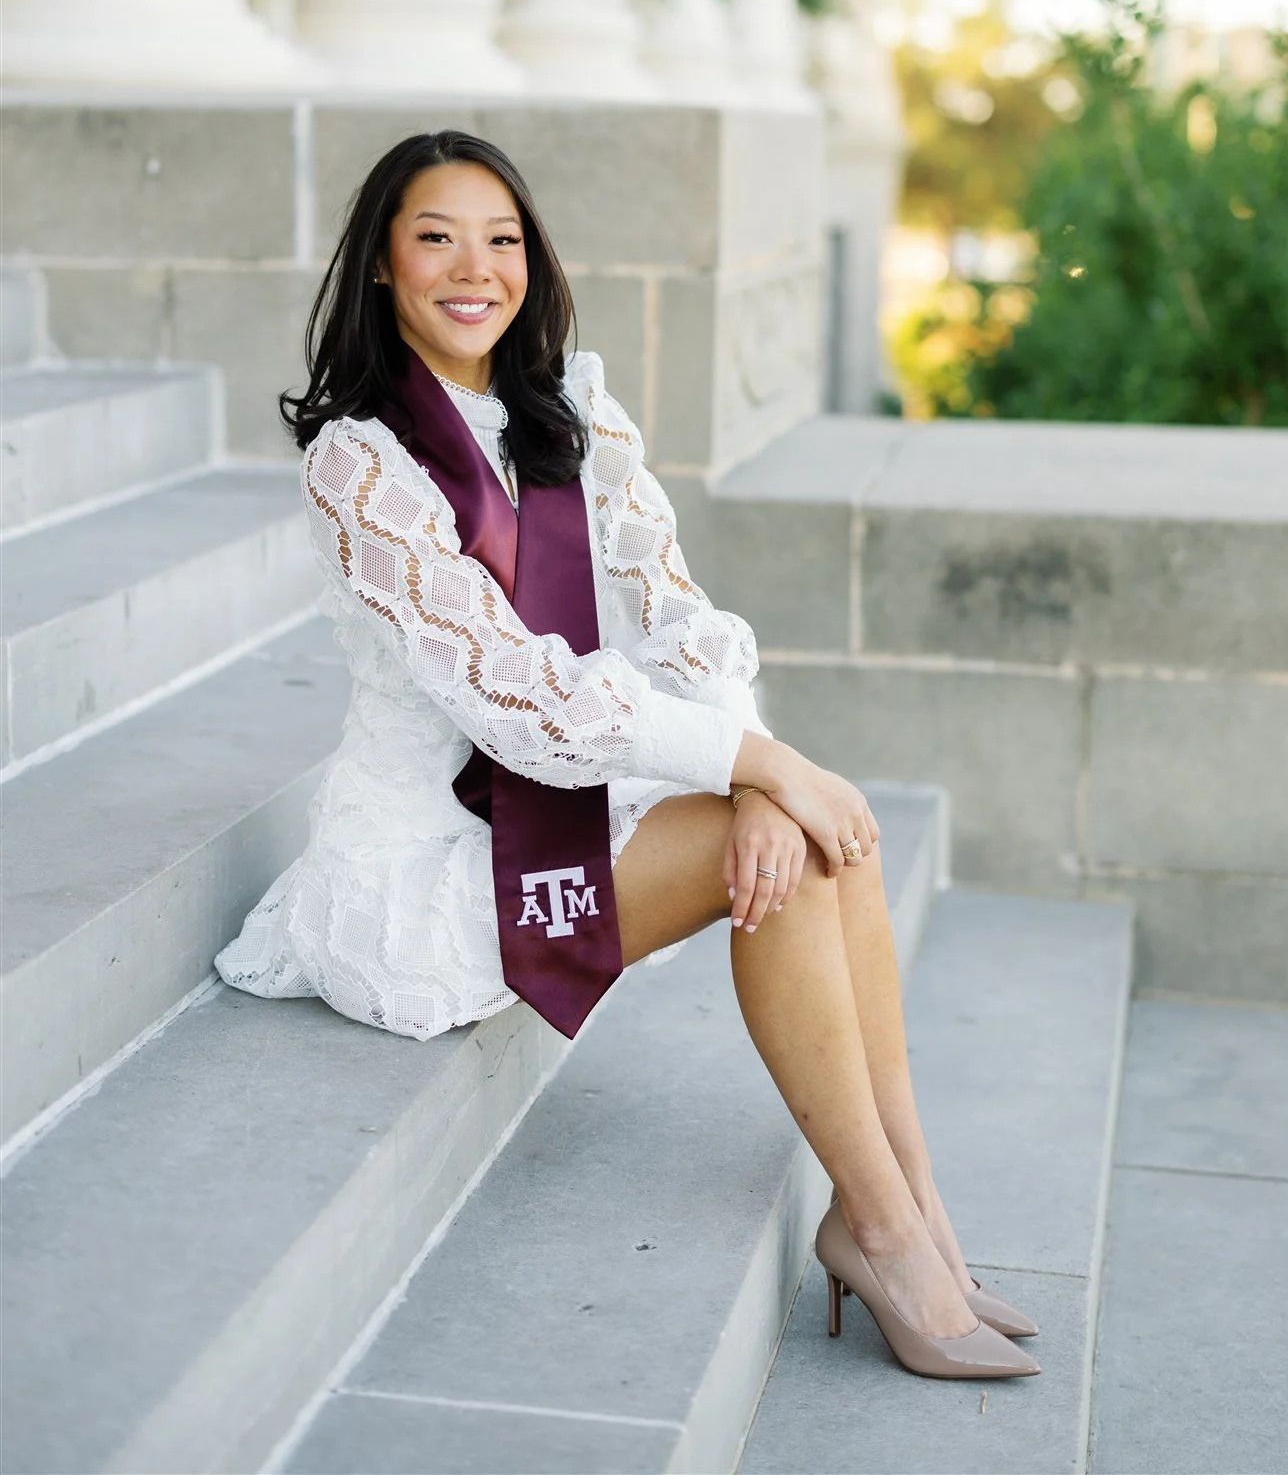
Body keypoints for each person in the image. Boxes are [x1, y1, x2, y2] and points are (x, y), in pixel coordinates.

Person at [215, 129, 1041, 1383]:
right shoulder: (362, 463)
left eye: (502, 239)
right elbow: (516, 698)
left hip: (562, 807)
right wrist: (755, 766)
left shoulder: (574, 412)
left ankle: (914, 1207)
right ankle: (878, 1229)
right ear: (382, 264)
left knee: (817, 830)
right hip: (428, 867)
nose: (475, 267)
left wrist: (756, 768)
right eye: (436, 237)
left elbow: (679, 616)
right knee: (791, 834)